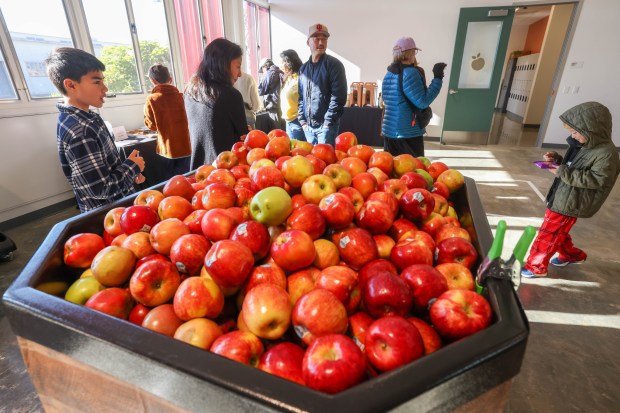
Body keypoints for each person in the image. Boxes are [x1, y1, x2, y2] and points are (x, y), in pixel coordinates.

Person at [521, 101, 620, 278]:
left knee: (548, 234)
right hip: (562, 195)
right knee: (557, 231)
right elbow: (573, 166)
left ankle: (536, 266)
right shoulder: (584, 145)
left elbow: (597, 180)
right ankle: (572, 255)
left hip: (573, 201)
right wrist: (558, 160)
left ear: (592, 130)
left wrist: (561, 171)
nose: (573, 136)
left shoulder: (607, 154)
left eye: (575, 132)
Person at [44, 47, 145, 213]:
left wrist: (129, 173)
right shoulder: (80, 130)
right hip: (108, 212)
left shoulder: (87, 117)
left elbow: (105, 168)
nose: (105, 89)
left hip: (118, 203)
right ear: (70, 85)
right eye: (97, 82)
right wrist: (132, 167)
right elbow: (100, 189)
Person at [184, 38, 249, 170]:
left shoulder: (191, 91)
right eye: (238, 66)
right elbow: (243, 141)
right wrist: (250, 135)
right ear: (223, 65)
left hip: (199, 171)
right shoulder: (230, 95)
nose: (240, 73)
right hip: (224, 172)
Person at [381, 37, 446, 157]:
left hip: (389, 132)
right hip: (407, 133)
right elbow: (422, 102)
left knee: (392, 172)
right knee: (413, 171)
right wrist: (437, 78)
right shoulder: (410, 73)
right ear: (410, 53)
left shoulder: (388, 74)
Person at [298, 23, 347, 146]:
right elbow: (300, 97)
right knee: (310, 162)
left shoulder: (334, 65)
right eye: (316, 38)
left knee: (326, 163)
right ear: (308, 42)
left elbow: (338, 97)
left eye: (324, 38)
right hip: (308, 128)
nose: (321, 42)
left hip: (326, 128)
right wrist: (302, 121)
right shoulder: (303, 69)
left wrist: (327, 123)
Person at [143, 64, 191, 179]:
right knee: (187, 180)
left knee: (170, 184)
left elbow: (151, 125)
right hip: (187, 147)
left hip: (167, 149)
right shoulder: (183, 97)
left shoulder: (152, 99)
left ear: (153, 81)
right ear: (170, 79)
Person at [279, 49, 305, 140]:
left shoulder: (301, 78)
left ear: (289, 63)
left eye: (282, 62)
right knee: (292, 150)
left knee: (299, 150)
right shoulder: (289, 79)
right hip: (288, 121)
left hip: (297, 120)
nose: (280, 65)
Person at [258, 58, 285, 130]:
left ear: (265, 67)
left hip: (273, 106)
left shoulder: (268, 73)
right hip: (282, 106)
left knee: (277, 131)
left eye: (262, 70)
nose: (262, 72)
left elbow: (261, 90)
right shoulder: (280, 72)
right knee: (284, 129)